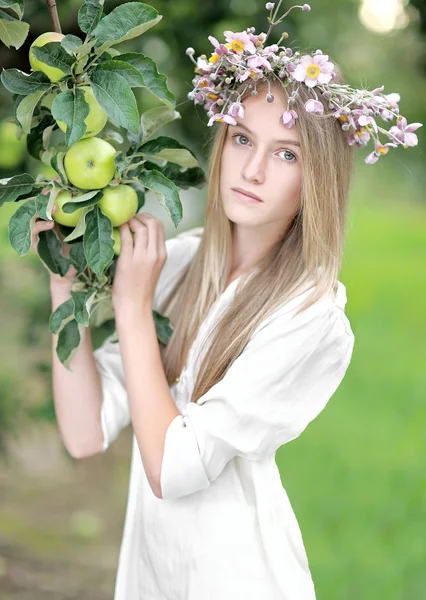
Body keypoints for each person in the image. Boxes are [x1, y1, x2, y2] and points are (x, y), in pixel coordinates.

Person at [30, 3, 421, 600]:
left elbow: (173, 468)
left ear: (316, 179)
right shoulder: (181, 263)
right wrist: (64, 277)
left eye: (287, 153)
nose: (255, 169)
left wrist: (133, 309)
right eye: (242, 139)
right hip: (153, 577)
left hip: (239, 579)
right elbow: (85, 432)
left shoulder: (312, 318)